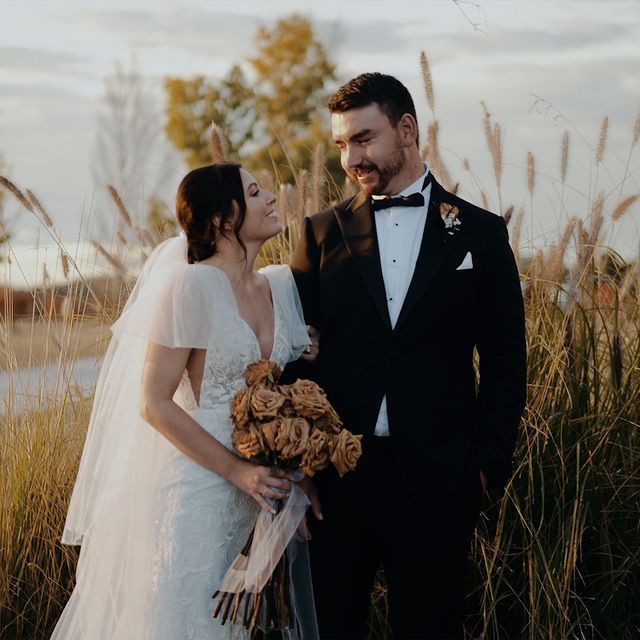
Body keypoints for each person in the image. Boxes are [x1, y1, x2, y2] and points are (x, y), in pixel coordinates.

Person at [289, 73, 527, 639]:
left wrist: (487, 462)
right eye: (342, 144)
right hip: (336, 481)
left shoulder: (482, 235)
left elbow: (505, 360)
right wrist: (299, 463)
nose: (351, 157)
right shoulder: (320, 233)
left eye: (364, 139)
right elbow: (294, 355)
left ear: (407, 129)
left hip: (441, 480)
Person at [52, 163, 320, 639]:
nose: (272, 199)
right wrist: (238, 470)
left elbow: (283, 388)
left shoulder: (279, 285)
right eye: (256, 192)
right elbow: (154, 402)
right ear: (222, 219)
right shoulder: (190, 286)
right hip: (199, 495)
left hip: (261, 500)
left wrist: (292, 472)